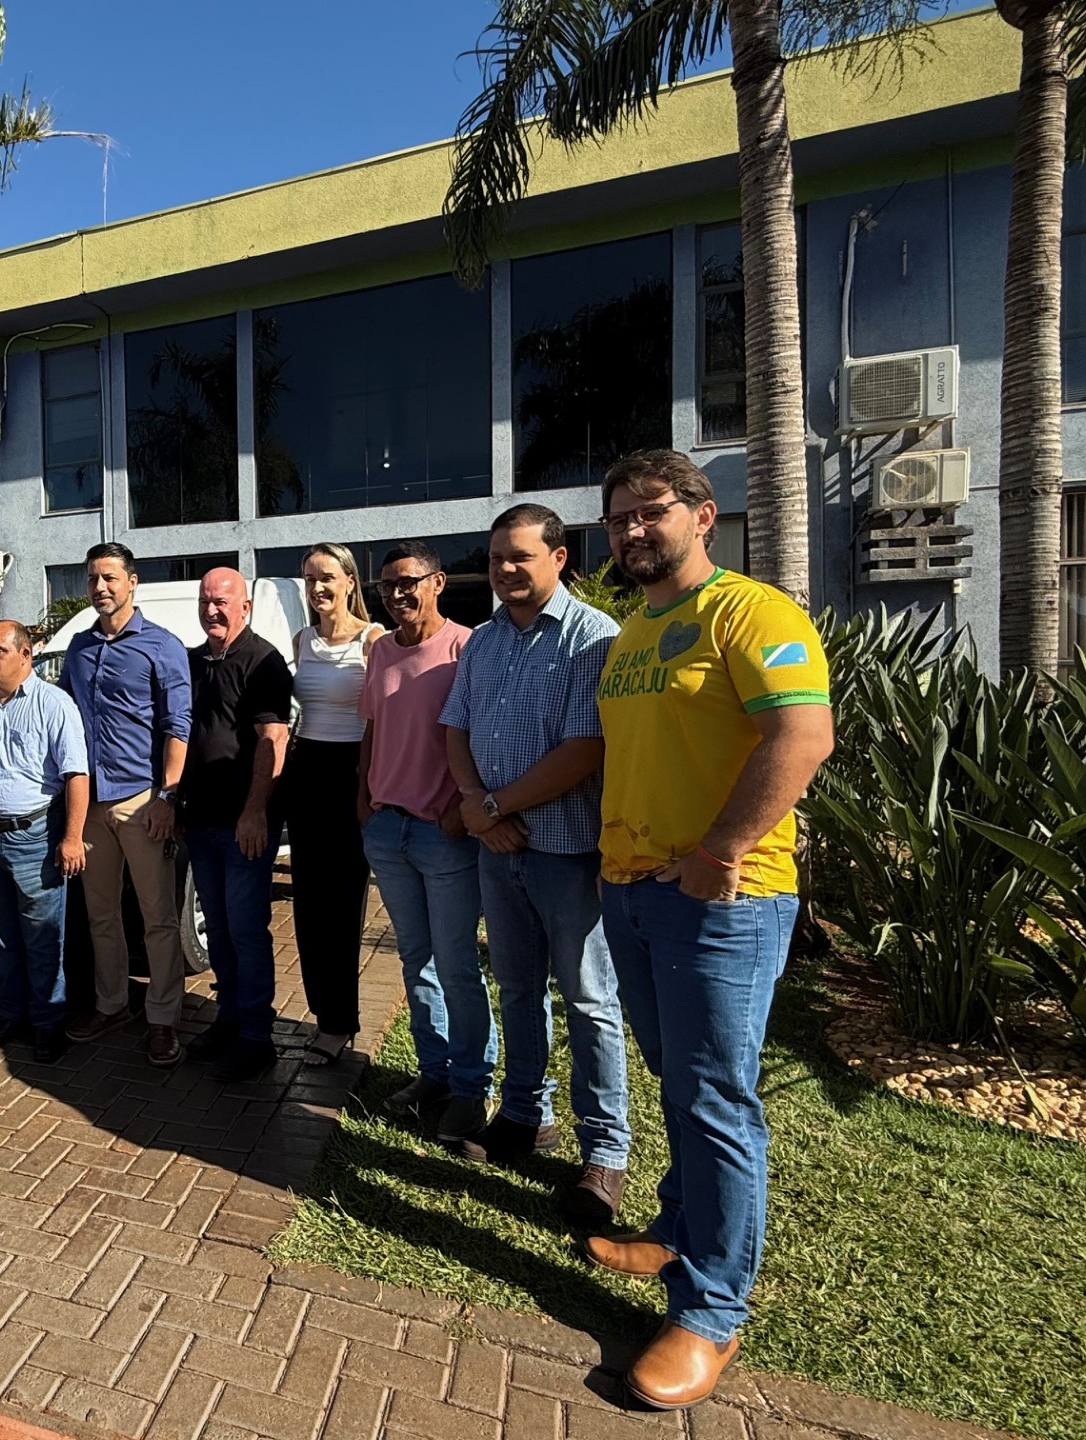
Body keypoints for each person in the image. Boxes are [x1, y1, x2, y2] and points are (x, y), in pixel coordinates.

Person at [586, 449, 833, 1410]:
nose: (633, 531)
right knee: (677, 1079)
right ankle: (678, 1228)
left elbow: (803, 736)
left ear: (701, 514)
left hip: (721, 900)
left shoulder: (753, 613)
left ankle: (713, 1309)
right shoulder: (635, 632)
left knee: (717, 1097)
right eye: (618, 521)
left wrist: (722, 850)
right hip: (633, 891)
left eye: (649, 513)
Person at [441, 505, 631, 1227]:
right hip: (500, 851)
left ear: (559, 558)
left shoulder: (594, 639)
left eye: (519, 557)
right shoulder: (484, 643)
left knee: (587, 999)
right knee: (516, 988)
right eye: (495, 559)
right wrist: (474, 803)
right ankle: (524, 1115)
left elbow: (585, 751)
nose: (505, 571)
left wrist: (489, 808)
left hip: (566, 850)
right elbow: (455, 727)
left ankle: (605, 1153)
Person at [356, 541, 495, 1140]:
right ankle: (433, 1072)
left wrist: (465, 810)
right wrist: (364, 800)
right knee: (417, 961)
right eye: (387, 585)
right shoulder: (381, 650)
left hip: (446, 833)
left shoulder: (467, 646)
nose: (398, 594)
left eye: (409, 582)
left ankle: (470, 1087)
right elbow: (371, 730)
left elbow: (485, 738)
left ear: (437, 583)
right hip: (388, 829)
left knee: (458, 964)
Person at [58, 543, 193, 1067]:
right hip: (89, 806)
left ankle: (162, 1018)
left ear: (132, 582)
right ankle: (113, 1005)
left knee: (158, 918)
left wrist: (168, 796)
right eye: (93, 578)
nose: (100, 588)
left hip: (141, 801)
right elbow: (66, 722)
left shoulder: (162, 646)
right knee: (100, 915)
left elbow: (177, 726)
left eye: (110, 577)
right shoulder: (78, 647)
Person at [0, 621, 90, 1065]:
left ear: (26, 654)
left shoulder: (55, 705)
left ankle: (48, 1023)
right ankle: (10, 1013)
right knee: (0, 936)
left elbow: (75, 775)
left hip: (34, 837)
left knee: (42, 937)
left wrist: (71, 837)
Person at [180, 569, 293, 1082]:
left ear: (244, 605)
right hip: (199, 822)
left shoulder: (262, 661)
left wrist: (255, 812)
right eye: (205, 601)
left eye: (222, 601)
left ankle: (256, 1037)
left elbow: (274, 739)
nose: (212, 610)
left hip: (243, 823)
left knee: (247, 930)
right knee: (220, 931)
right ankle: (228, 1020)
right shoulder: (194, 661)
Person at [282, 543, 383, 1067]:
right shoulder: (302, 640)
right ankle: (325, 1016)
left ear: (349, 581)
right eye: (308, 579)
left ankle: (341, 1023)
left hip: (353, 773)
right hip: (309, 773)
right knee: (309, 904)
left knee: (343, 905)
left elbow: (382, 719)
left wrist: (369, 788)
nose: (317, 588)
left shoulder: (373, 640)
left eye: (326, 578)